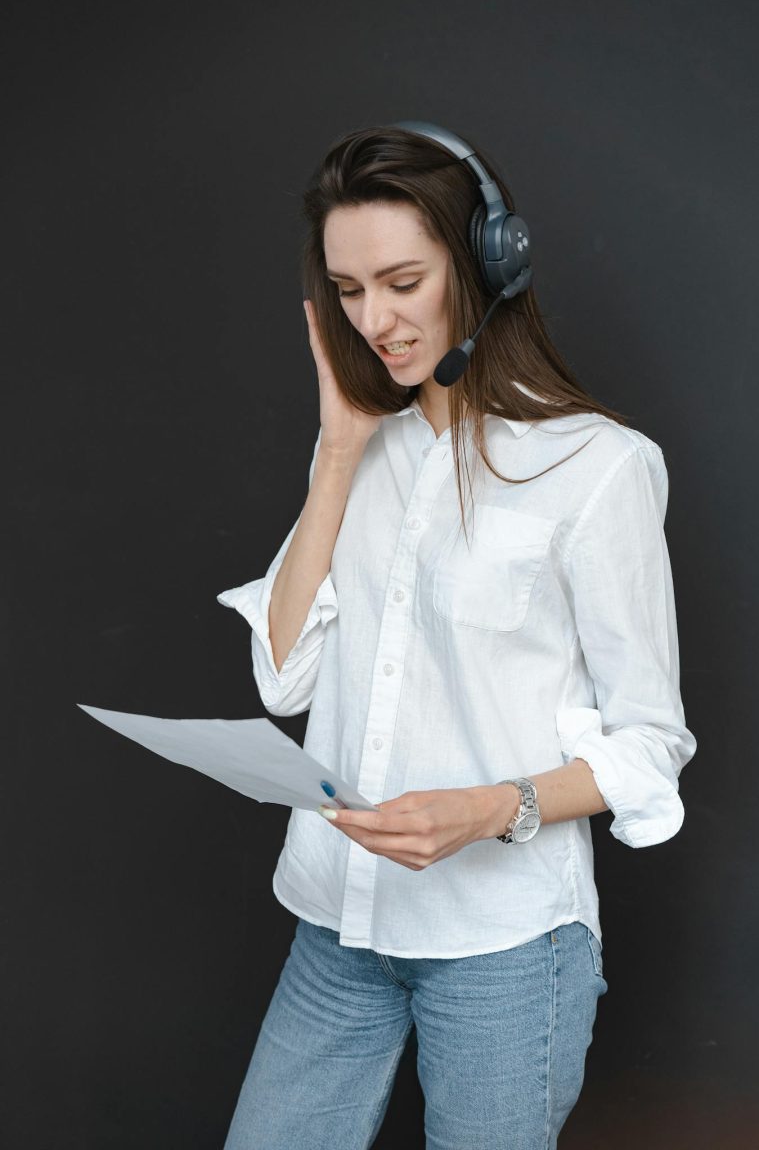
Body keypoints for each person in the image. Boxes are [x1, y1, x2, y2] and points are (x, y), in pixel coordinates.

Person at [217, 121, 696, 1150]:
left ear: (486, 264)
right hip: (337, 923)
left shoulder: (599, 468)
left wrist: (492, 809)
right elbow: (284, 675)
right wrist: (340, 454)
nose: (376, 320)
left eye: (401, 280)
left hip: (506, 945)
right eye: (348, 292)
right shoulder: (361, 444)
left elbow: (651, 746)